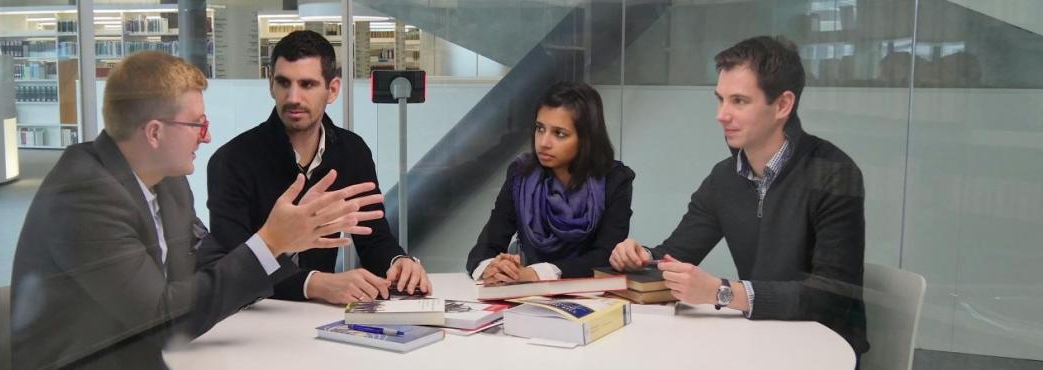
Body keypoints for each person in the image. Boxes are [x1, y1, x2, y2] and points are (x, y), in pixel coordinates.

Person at [10, 51, 385, 369]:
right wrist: (271, 242)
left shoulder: (167, 180)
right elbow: (163, 322)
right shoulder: (85, 196)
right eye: (197, 124)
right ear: (155, 133)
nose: (206, 136)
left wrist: (284, 244)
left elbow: (208, 262)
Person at [608, 36, 869, 357]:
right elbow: (676, 255)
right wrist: (641, 256)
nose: (722, 114)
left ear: (783, 105)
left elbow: (832, 299)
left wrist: (721, 292)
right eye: (720, 99)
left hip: (826, 350)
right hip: (761, 340)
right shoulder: (724, 177)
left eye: (739, 101)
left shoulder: (833, 173)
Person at [206, 30, 430, 305]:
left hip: (318, 316)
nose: (293, 97)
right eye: (283, 83)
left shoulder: (352, 151)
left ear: (332, 89)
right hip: (250, 315)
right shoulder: (231, 160)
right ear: (270, 85)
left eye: (307, 84)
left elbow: (373, 238)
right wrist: (314, 283)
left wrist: (398, 262)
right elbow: (232, 264)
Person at [466, 81, 635, 286]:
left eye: (559, 133)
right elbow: (487, 245)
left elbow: (605, 257)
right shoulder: (521, 174)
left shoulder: (615, 180)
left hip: (589, 297)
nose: (544, 142)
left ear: (586, 138)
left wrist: (537, 273)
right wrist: (492, 267)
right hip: (526, 297)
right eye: (540, 129)